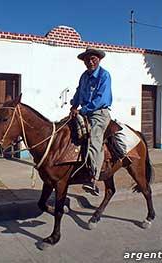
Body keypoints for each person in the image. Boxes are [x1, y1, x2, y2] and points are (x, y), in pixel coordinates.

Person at [70, 47, 112, 196]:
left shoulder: (104, 75)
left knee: (93, 139)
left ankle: (92, 178)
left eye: (93, 58)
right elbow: (78, 92)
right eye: (87, 59)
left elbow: (100, 99)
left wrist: (82, 110)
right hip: (84, 111)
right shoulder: (84, 76)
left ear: (98, 59)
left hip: (98, 113)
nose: (90, 61)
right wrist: (74, 105)